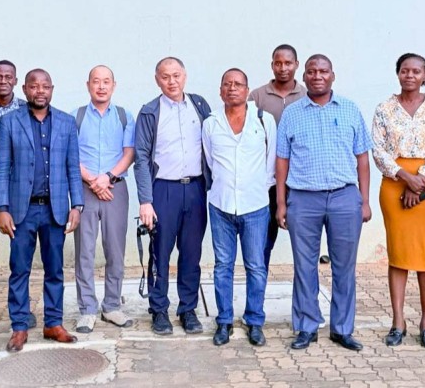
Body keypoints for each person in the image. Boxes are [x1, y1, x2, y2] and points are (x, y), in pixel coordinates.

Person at [276, 54, 373, 351]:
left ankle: (342, 328)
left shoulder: (350, 109)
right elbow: (282, 161)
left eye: (323, 71)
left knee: (344, 267)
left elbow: (362, 159)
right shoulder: (292, 113)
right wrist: (281, 204)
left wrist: (364, 200)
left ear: (333, 76)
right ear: (303, 78)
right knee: (304, 266)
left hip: (344, 197)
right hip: (303, 199)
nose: (317, 76)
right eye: (311, 71)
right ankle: (306, 327)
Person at [0, 68, 84, 352]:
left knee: (55, 269)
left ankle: (53, 323)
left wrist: (77, 205)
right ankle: (19, 326)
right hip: (22, 211)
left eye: (45, 86)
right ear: (25, 89)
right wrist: (2, 208)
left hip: (55, 210)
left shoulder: (67, 123)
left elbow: (72, 167)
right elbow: (2, 168)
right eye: (34, 86)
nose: (40, 91)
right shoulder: (10, 122)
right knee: (19, 269)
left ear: (52, 89)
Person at [371, 53, 425, 348]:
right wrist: (405, 178)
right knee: (399, 254)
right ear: (398, 74)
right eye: (405, 70)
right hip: (394, 186)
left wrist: (420, 181)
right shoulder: (384, 109)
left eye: (416, 71)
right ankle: (398, 321)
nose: (410, 76)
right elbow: (378, 150)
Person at [134, 57, 211, 335]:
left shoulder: (199, 105)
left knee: (191, 252)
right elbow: (141, 158)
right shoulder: (149, 112)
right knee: (160, 252)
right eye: (165, 77)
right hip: (162, 190)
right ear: (157, 80)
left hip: (195, 189)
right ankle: (159, 309)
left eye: (176, 75)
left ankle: (188, 309)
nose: (172, 81)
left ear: (185, 76)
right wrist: (145, 200)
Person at [203, 68, 276, 347]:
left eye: (238, 84)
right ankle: (224, 321)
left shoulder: (263, 120)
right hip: (221, 205)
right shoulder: (211, 123)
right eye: (227, 84)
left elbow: (271, 162)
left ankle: (255, 320)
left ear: (247, 91)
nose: (232, 88)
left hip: (255, 205)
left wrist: (258, 188)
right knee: (223, 266)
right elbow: (210, 161)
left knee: (256, 266)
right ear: (221, 91)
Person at [71, 65, 136, 333]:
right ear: (88, 85)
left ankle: (112, 306)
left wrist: (107, 177)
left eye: (106, 81)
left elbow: (129, 153)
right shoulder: (76, 117)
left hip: (115, 189)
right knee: (84, 251)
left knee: (115, 250)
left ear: (113, 85)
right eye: (96, 81)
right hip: (85, 190)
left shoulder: (123, 116)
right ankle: (87, 309)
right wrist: (92, 181)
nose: (101, 86)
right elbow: (71, 155)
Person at [0, 60, 33, 327]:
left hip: (17, 194)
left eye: (8, 77)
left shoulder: (25, 109)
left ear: (15, 81)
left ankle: (21, 306)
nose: (3, 80)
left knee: (20, 254)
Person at [248, 45, 307, 269]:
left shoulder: (305, 96)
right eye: (278, 63)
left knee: (303, 243)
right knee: (263, 241)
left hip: (300, 179)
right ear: (272, 65)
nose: (283, 68)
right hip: (267, 180)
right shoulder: (257, 96)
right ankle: (257, 295)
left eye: (288, 63)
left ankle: (304, 299)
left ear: (296, 65)